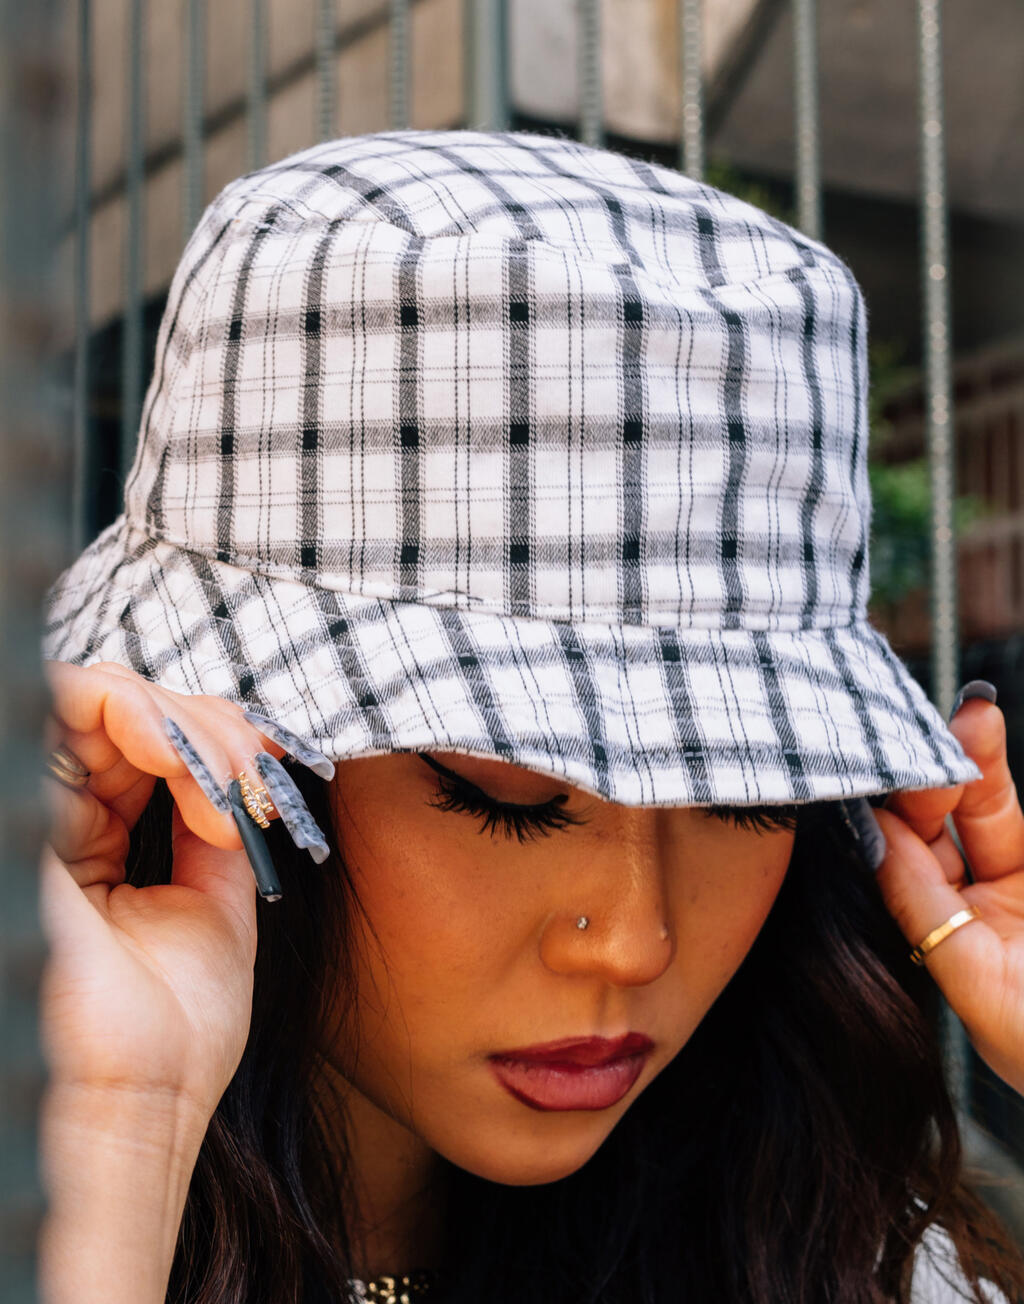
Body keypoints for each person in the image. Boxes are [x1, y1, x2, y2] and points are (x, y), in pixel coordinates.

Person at [38, 129, 1024, 1304]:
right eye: (502, 794)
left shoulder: (838, 1253)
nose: (633, 941)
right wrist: (112, 1138)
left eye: (748, 795)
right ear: (219, 752)